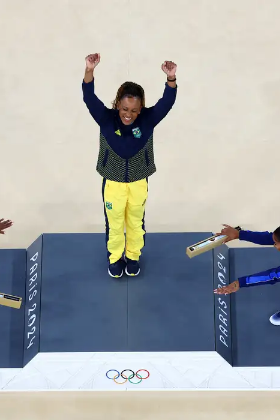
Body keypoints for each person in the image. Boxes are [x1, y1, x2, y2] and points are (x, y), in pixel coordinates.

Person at [82, 53, 178, 278]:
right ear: (117, 105)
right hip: (112, 183)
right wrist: (89, 70)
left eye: (134, 110)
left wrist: (171, 79)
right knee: (115, 225)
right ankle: (115, 259)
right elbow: (89, 98)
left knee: (135, 222)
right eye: (125, 109)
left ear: (141, 107)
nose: (129, 115)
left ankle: (133, 256)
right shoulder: (106, 118)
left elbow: (167, 103)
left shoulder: (148, 119)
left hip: (138, 181)